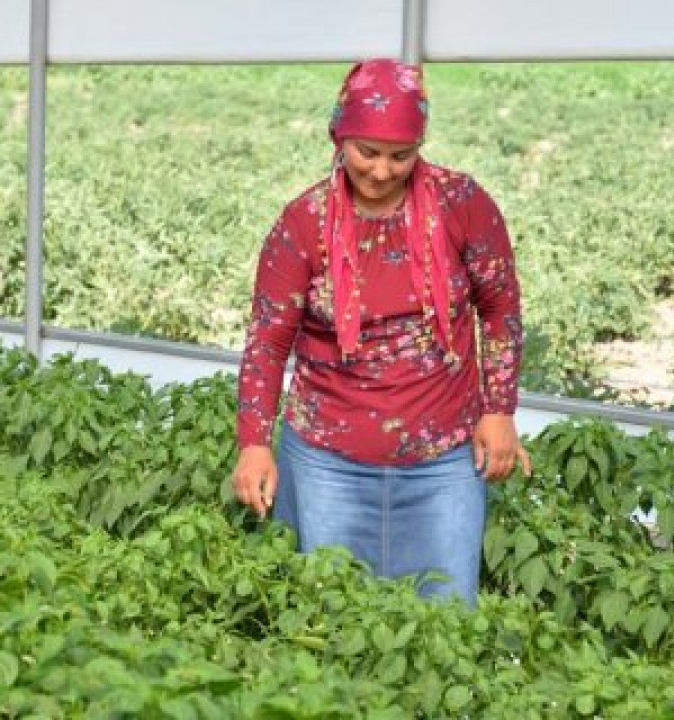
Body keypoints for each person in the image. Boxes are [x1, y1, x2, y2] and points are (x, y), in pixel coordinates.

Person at [233, 59, 531, 606]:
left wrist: (499, 409)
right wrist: (254, 443)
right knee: (333, 621)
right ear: (339, 136)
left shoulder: (462, 204)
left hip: (443, 461)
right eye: (366, 151)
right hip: (327, 463)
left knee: (444, 622)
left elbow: (500, 310)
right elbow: (269, 342)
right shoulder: (304, 223)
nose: (381, 170)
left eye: (401, 155)